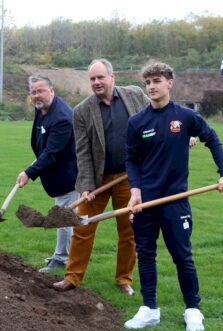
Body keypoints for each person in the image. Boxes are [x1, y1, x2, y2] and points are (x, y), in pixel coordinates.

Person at [123, 62, 223, 331]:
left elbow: (212, 138)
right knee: (145, 255)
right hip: (146, 203)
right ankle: (149, 308)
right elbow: (131, 159)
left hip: (175, 202)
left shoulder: (184, 117)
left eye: (157, 81)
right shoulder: (137, 122)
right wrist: (135, 191)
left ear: (169, 83)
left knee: (182, 256)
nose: (151, 87)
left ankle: (193, 309)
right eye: (148, 82)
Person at [52, 58, 150, 295]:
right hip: (98, 179)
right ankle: (72, 277)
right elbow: (83, 152)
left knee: (129, 231)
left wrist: (181, 134)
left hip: (129, 177)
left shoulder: (135, 95)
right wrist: (85, 186)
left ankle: (124, 278)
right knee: (83, 227)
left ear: (112, 77)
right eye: (92, 79)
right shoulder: (82, 111)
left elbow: (159, 115)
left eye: (100, 77)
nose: (96, 82)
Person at [17, 75, 79, 273]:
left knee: (63, 217)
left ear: (51, 91)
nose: (37, 95)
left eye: (41, 91)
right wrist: (35, 164)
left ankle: (62, 258)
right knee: (63, 213)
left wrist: (29, 173)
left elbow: (52, 152)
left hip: (69, 175)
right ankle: (62, 254)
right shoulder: (43, 109)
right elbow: (44, 145)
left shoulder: (62, 117)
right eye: (33, 92)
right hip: (58, 171)